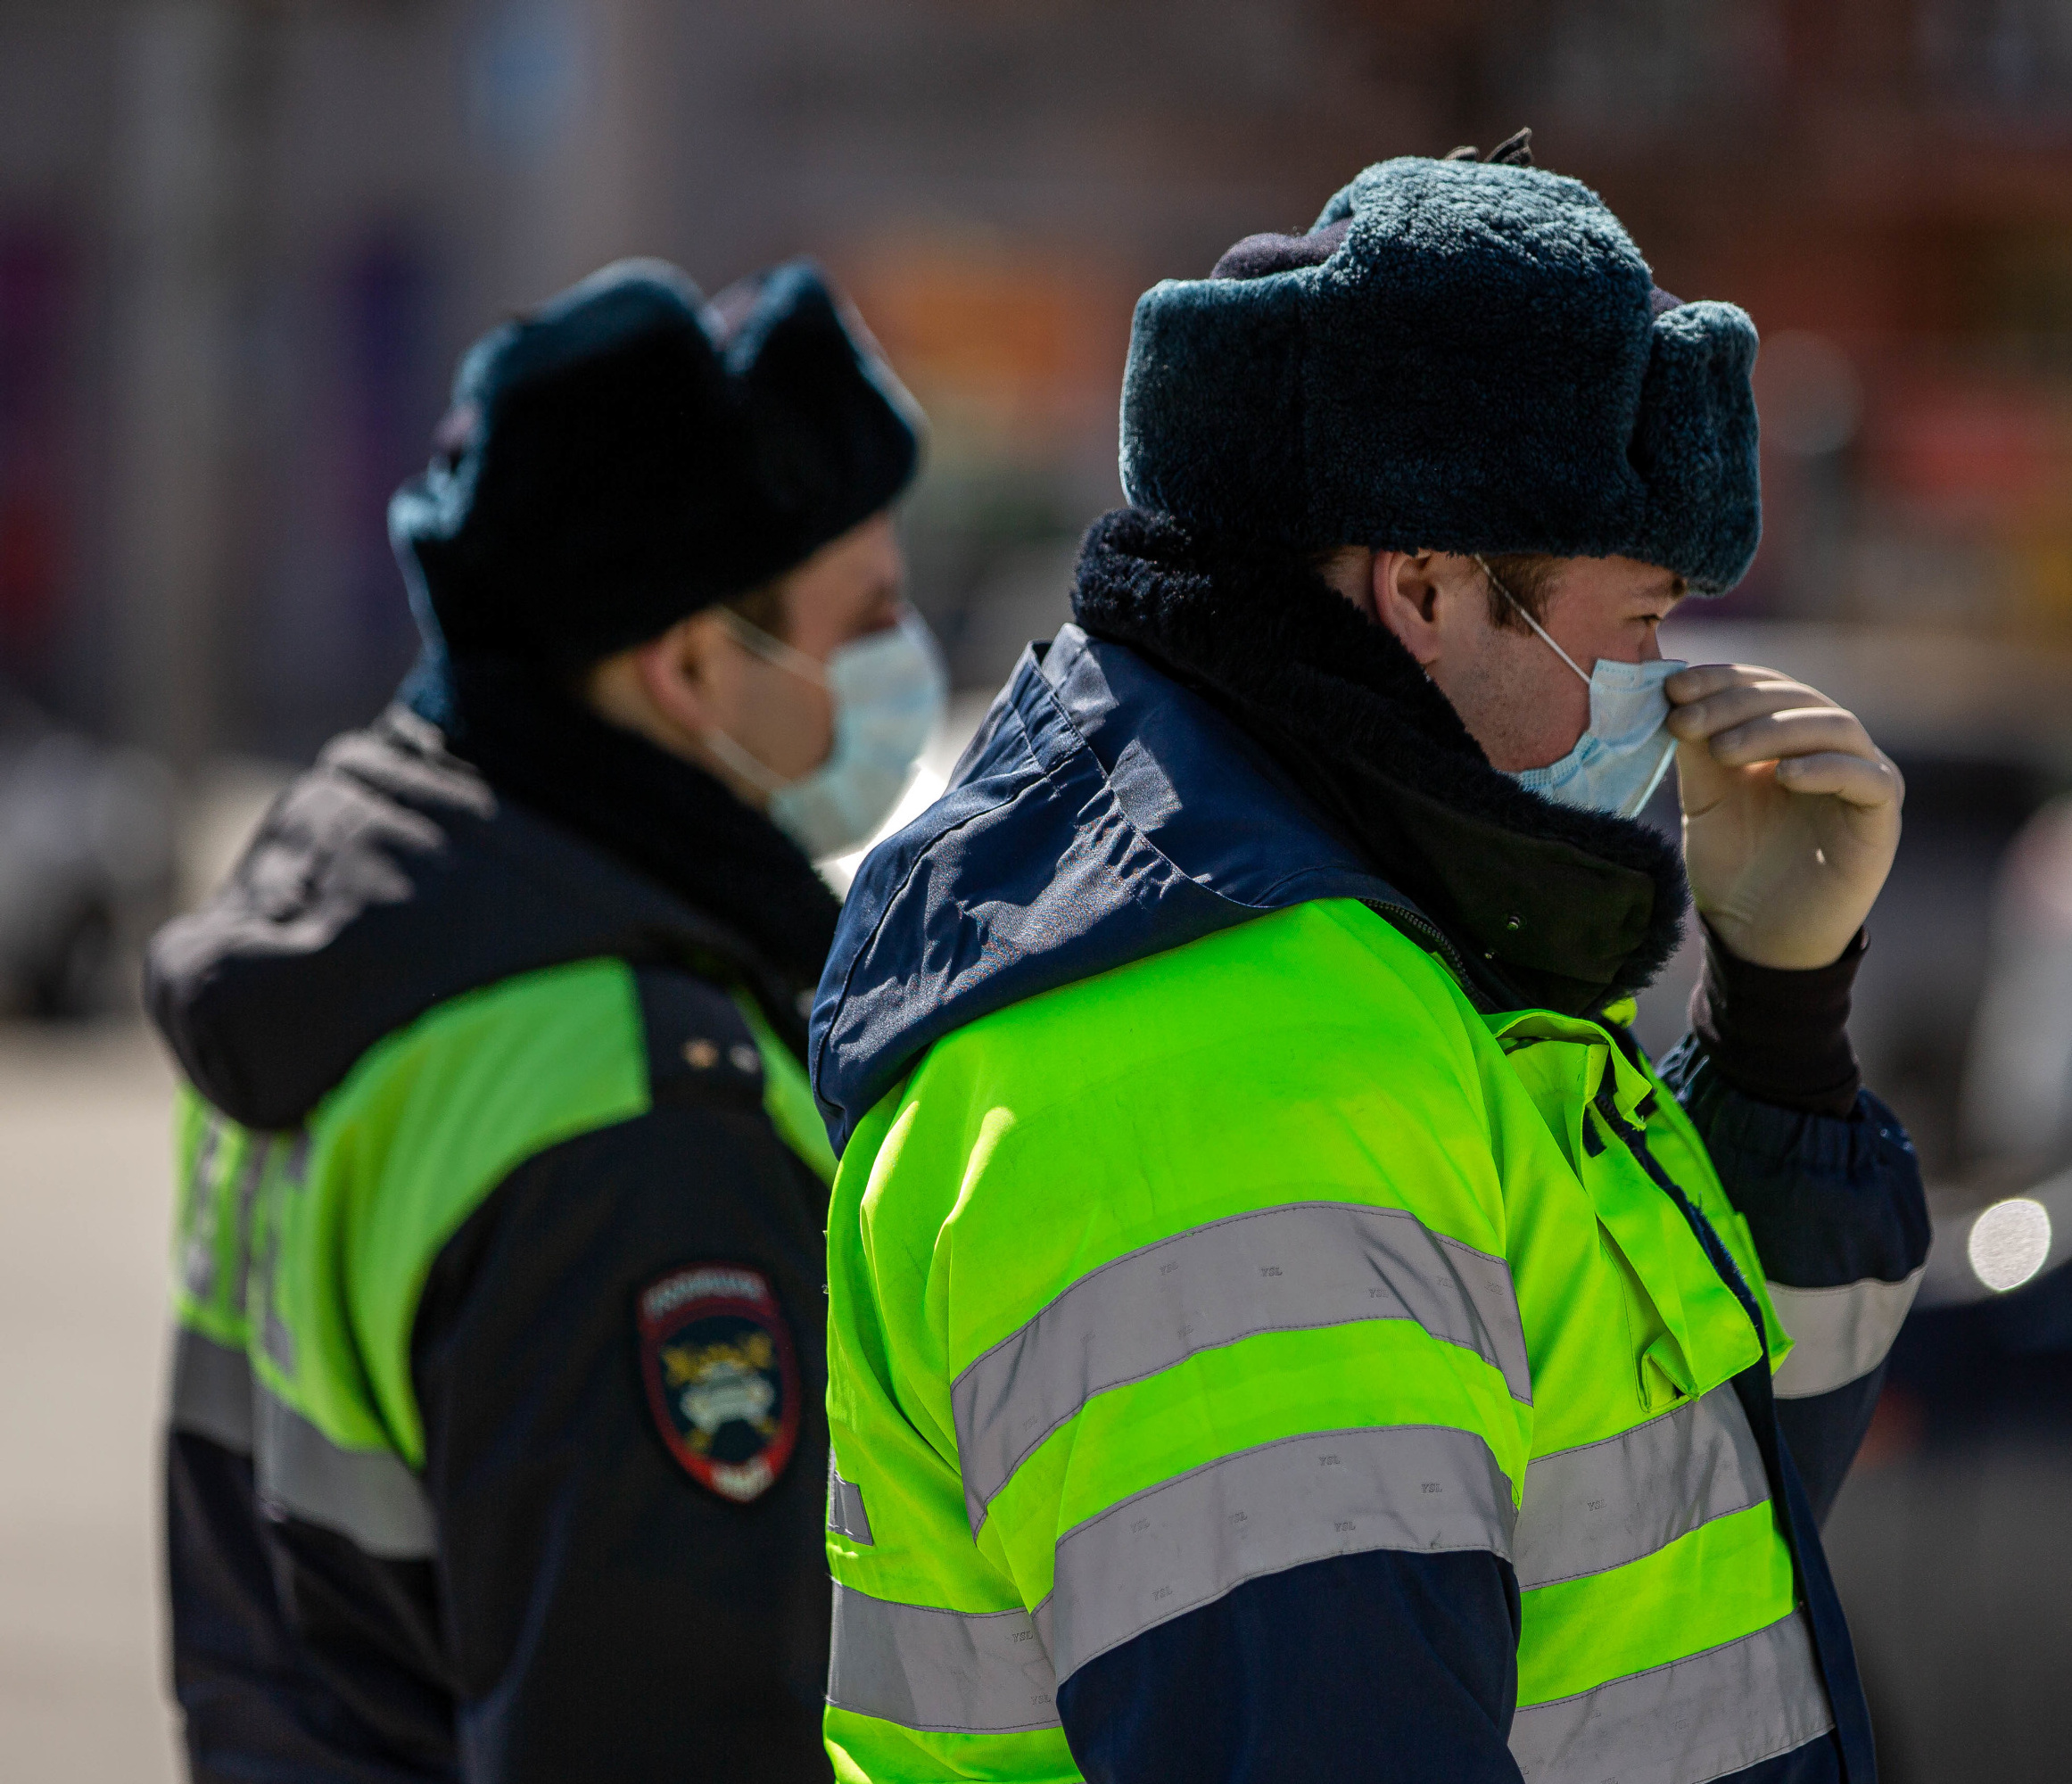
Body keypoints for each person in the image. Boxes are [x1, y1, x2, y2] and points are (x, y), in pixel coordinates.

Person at [808, 136, 1930, 1783]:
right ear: (1423, 588)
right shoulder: (1227, 1080)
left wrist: (1775, 1027)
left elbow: (1686, 1528)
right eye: (1635, 634)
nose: (1670, 700)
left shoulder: (1388, 963)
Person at [148, 257, 937, 1782]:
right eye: (871, 620)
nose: (902, 673)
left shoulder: (372, 953)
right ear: (697, 664)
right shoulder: (642, 1124)